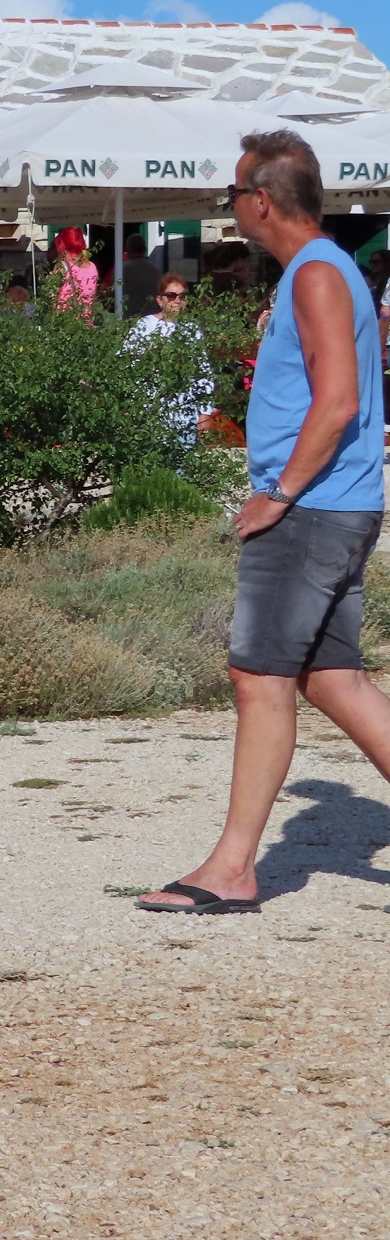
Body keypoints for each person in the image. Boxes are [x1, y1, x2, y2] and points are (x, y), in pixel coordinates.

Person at [139, 132, 387, 914]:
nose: (231, 206)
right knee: (332, 677)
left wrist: (278, 492)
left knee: (260, 677)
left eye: (234, 194)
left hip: (311, 508)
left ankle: (233, 868)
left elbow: (338, 401)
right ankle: (233, 864)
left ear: (263, 202)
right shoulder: (329, 271)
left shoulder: (315, 274)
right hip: (338, 502)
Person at [124, 275, 210, 437]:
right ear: (160, 300)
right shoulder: (145, 326)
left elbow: (202, 373)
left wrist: (205, 412)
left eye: (182, 296)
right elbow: (127, 365)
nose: (177, 301)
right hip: (151, 417)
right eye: (171, 296)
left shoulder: (191, 330)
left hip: (186, 418)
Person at [52, 227, 99, 315]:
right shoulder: (92, 267)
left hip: (64, 321)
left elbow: (51, 297)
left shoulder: (61, 267)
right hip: (86, 321)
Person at [120, 232, 162, 313]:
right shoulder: (156, 270)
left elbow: (111, 292)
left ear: (128, 249)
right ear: (145, 249)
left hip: (128, 316)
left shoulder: (121, 270)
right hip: (152, 315)